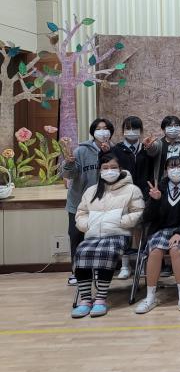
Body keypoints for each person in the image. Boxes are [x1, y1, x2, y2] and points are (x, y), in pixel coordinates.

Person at [70, 153, 144, 318]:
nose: (109, 171)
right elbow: (81, 213)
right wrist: (88, 225)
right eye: (105, 168)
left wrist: (118, 221)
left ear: (120, 169)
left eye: (113, 167)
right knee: (82, 252)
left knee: (106, 252)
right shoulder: (91, 191)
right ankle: (85, 299)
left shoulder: (132, 190)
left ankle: (100, 298)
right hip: (93, 234)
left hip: (119, 234)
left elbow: (138, 212)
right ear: (100, 170)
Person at [134, 156, 180, 314]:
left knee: (176, 249)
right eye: (172, 166)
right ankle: (150, 297)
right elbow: (147, 217)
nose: (176, 169)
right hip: (161, 230)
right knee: (155, 251)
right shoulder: (159, 187)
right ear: (166, 170)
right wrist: (154, 200)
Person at [60, 117, 115, 286]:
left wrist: (107, 155)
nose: (102, 131)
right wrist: (69, 163)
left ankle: (98, 270)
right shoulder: (81, 151)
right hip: (78, 204)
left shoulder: (115, 151)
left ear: (110, 132)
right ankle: (77, 272)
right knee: (77, 238)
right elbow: (69, 175)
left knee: (99, 238)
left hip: (103, 205)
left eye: (105, 128)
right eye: (98, 128)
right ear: (93, 132)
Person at [113, 115, 153, 280]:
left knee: (141, 229)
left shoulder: (146, 149)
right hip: (123, 194)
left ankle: (141, 263)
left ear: (141, 131)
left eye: (135, 128)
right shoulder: (117, 149)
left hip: (143, 194)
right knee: (125, 228)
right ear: (123, 131)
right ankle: (124, 265)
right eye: (128, 128)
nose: (131, 131)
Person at [144, 115, 180, 183]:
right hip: (162, 181)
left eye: (176, 125)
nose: (173, 128)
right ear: (163, 130)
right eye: (170, 126)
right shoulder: (159, 143)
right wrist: (150, 147)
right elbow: (154, 150)